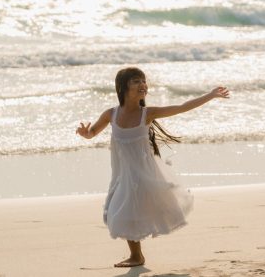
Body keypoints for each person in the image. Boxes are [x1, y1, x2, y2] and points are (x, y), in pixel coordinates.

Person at [76, 67, 230, 267]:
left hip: (143, 173)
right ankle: (137, 255)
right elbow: (93, 133)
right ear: (123, 87)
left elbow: (182, 107)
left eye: (143, 81)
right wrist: (85, 133)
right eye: (136, 81)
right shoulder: (111, 114)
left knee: (125, 211)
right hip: (122, 173)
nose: (142, 85)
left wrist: (210, 95)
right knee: (121, 212)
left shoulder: (147, 114)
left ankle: (136, 256)